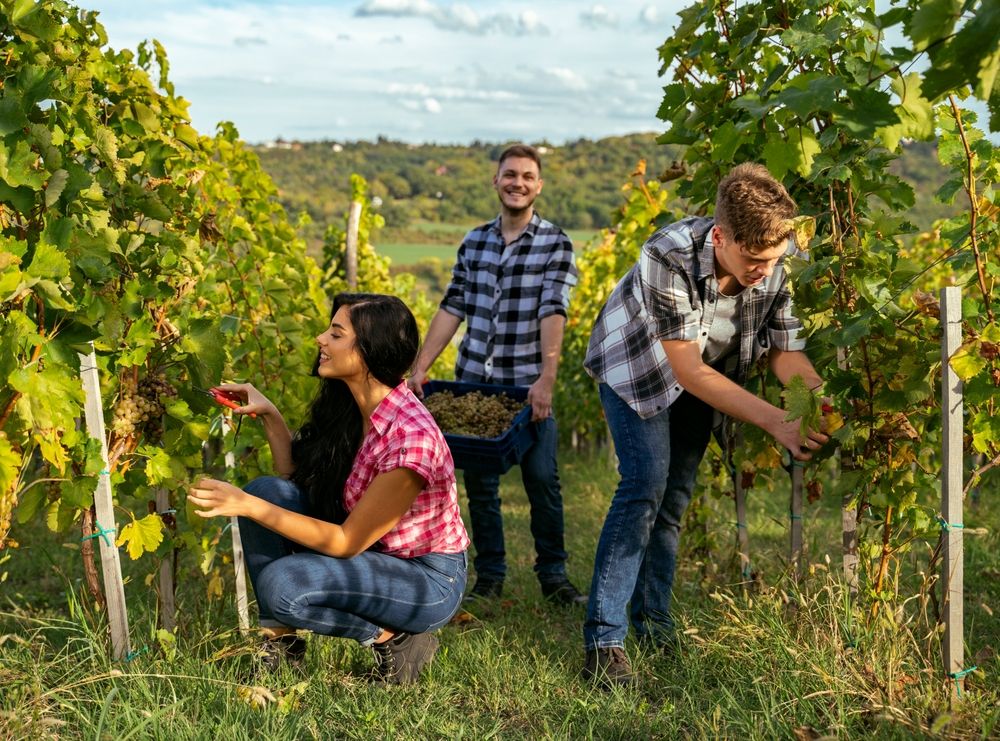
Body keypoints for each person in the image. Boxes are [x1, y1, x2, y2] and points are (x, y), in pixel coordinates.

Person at [581, 163, 829, 687]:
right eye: (754, 260)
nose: (765, 270)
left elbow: (786, 353)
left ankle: (655, 622)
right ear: (720, 236)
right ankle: (605, 639)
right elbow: (686, 369)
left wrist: (815, 402)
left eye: (774, 260)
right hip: (637, 371)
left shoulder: (780, 259)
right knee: (645, 484)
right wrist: (777, 422)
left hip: (708, 376)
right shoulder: (666, 253)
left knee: (674, 499)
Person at [189, 293, 469, 685]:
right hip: (379, 556)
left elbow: (346, 542)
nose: (321, 339)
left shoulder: (410, 441)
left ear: (370, 352)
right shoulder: (355, 407)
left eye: (336, 334)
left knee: (283, 583)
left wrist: (246, 506)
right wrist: (269, 413)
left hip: (425, 580)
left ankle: (396, 639)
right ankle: (282, 650)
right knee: (268, 490)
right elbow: (293, 476)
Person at [407, 144, 586, 606]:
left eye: (527, 176)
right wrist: (422, 365)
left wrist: (547, 377)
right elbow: (453, 306)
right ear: (496, 181)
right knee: (481, 488)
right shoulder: (474, 241)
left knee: (543, 481)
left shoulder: (556, 243)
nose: (517, 183)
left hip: (526, 387)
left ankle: (554, 576)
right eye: (510, 174)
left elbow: (554, 310)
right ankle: (490, 576)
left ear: (538, 186)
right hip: (474, 384)